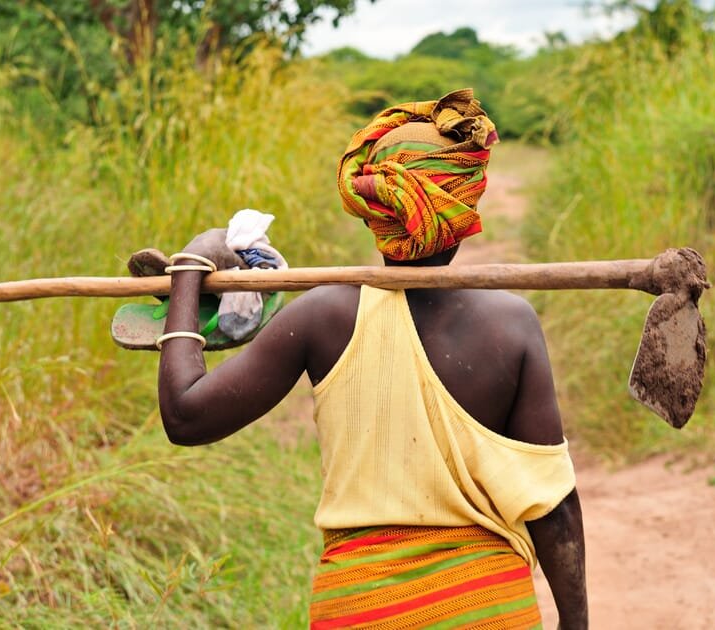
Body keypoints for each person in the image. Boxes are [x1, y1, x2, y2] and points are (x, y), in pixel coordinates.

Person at [156, 89, 587, 629]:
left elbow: (186, 415)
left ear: (372, 210)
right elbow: (553, 504)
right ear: (465, 208)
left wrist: (189, 270)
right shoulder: (511, 324)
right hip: (485, 606)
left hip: (360, 609)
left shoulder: (321, 315)